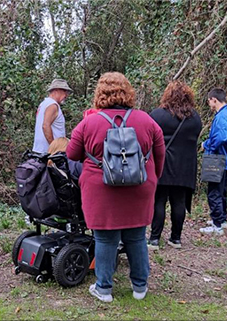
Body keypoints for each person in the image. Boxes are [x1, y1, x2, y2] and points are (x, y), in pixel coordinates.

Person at [66, 72, 165, 303]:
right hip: (140, 188)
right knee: (137, 237)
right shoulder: (147, 121)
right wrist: (153, 180)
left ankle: (104, 288)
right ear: (128, 92)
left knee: (105, 239)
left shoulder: (88, 122)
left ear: (100, 94)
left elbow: (71, 154)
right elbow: (160, 154)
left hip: (101, 189)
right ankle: (140, 287)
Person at [148, 81, 202, 250]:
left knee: (159, 201)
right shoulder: (195, 119)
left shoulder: (157, 115)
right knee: (179, 202)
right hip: (185, 167)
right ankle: (176, 238)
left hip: (162, 164)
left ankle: (155, 239)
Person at [199, 88, 227, 236]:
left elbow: (221, 137)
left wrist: (206, 145)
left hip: (219, 160)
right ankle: (222, 219)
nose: (209, 105)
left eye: (209, 101)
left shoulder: (221, 117)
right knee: (221, 192)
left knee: (214, 192)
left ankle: (216, 225)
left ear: (214, 99)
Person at [32, 79, 73, 154]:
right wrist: (54, 148)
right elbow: (45, 126)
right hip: (48, 152)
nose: (66, 95)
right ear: (56, 90)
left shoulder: (44, 103)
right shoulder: (52, 105)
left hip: (40, 150)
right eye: (65, 91)